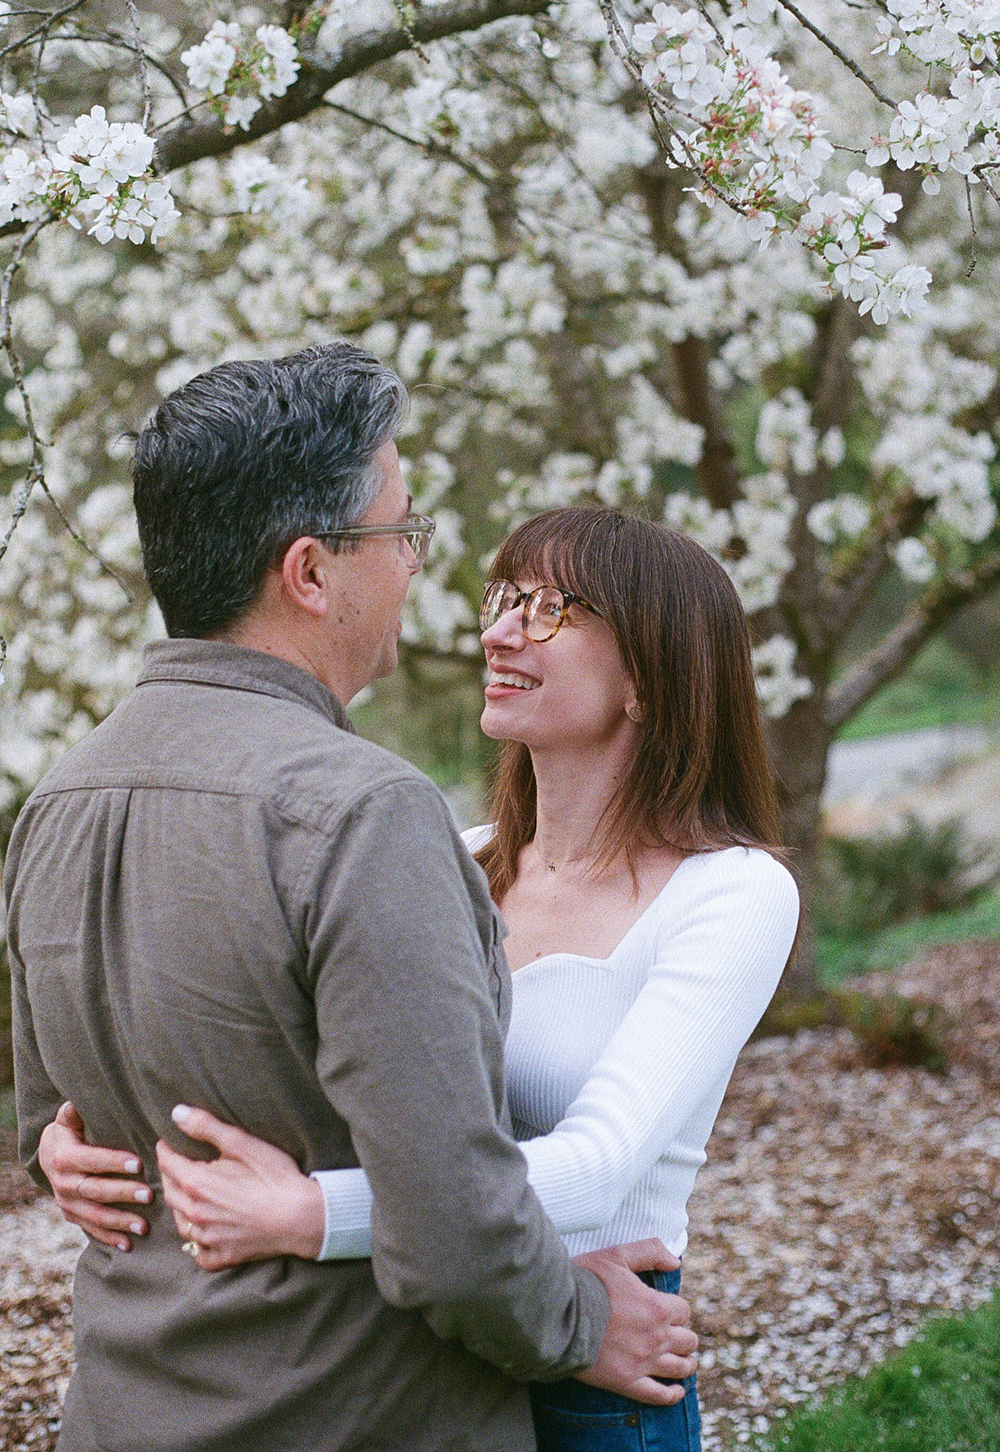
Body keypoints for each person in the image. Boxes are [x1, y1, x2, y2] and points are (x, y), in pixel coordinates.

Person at [6, 347, 697, 1452]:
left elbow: (59, 1132)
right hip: (348, 1418)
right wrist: (580, 1323)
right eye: (401, 534)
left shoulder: (58, 800)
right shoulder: (359, 813)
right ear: (311, 573)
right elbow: (454, 1228)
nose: (417, 568)